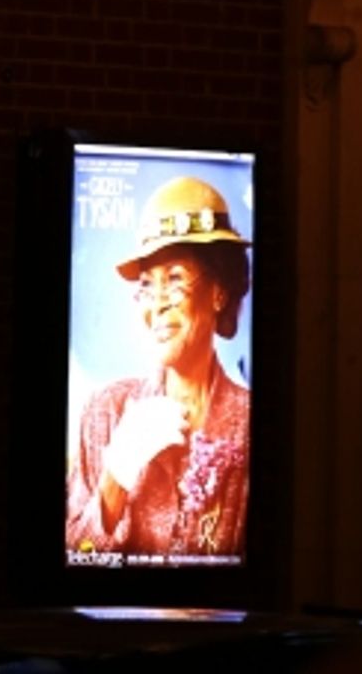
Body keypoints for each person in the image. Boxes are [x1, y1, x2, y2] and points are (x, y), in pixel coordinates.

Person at [66, 175, 251, 560]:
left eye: (175, 280)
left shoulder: (251, 423)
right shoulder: (104, 413)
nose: (157, 304)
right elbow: (75, 555)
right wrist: (114, 478)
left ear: (218, 292)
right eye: (148, 286)